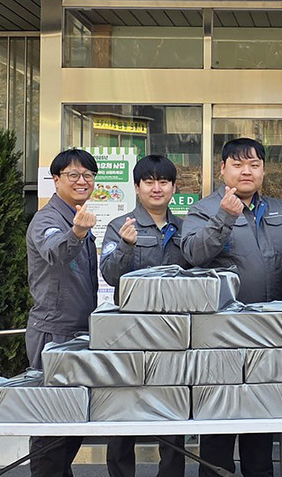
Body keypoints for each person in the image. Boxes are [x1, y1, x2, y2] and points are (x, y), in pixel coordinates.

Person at [181, 138, 282, 477]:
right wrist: (224, 217)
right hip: (220, 337)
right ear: (222, 169)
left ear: (263, 170)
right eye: (238, 164)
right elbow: (193, 254)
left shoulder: (279, 210)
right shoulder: (203, 210)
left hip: (270, 334)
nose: (246, 171)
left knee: (261, 425)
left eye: (254, 165)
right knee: (219, 427)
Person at [100, 154, 189, 477]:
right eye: (149, 182)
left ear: (174, 188)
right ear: (136, 187)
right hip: (129, 333)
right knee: (123, 411)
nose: (156, 188)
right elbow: (109, 274)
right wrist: (125, 245)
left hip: (174, 333)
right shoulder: (120, 226)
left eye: (163, 181)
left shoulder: (185, 229)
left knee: (172, 411)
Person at [25, 149, 98, 477]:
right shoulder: (49, 219)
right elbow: (55, 252)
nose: (82, 181)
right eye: (73, 175)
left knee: (71, 425)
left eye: (88, 175)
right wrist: (77, 233)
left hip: (79, 332)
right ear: (56, 180)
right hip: (53, 334)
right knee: (51, 425)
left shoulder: (76, 215)